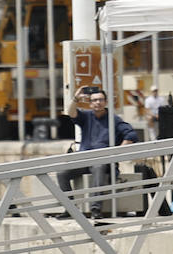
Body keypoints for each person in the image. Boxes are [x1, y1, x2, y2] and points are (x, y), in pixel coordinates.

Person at [58, 87, 137, 218]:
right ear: (90, 103)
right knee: (62, 174)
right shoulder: (86, 116)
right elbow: (71, 112)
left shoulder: (114, 119)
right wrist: (76, 98)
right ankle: (70, 208)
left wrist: (116, 153)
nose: (97, 102)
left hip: (103, 162)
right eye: (94, 100)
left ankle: (95, 208)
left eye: (100, 100)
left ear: (105, 102)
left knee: (98, 166)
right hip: (84, 159)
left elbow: (131, 135)